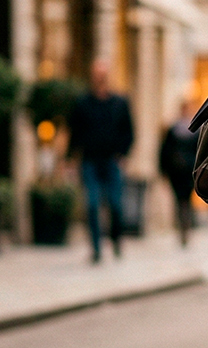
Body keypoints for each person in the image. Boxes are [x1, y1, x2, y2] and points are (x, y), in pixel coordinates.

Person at [69, 59, 134, 263]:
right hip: (90, 161)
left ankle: (116, 238)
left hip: (112, 161)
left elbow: (129, 132)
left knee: (115, 204)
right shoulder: (83, 103)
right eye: (97, 74)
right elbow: (75, 133)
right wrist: (70, 159)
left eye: (103, 74)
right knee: (92, 204)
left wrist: (123, 154)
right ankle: (96, 248)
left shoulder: (119, 103)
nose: (100, 78)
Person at [158, 98, 198, 247]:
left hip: (190, 171)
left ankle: (185, 227)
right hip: (176, 171)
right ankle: (182, 227)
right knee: (179, 200)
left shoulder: (196, 130)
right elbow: (164, 151)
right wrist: (163, 170)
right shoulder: (173, 130)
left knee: (186, 200)